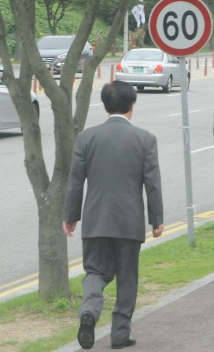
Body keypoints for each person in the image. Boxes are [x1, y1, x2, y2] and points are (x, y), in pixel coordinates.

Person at [63, 81, 164, 351]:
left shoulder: (87, 138)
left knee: (95, 272)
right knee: (127, 277)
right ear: (132, 106)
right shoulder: (145, 139)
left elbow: (75, 181)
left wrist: (71, 215)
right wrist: (156, 219)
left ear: (105, 106)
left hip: (95, 220)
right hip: (129, 221)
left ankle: (90, 311)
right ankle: (120, 335)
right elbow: (152, 183)